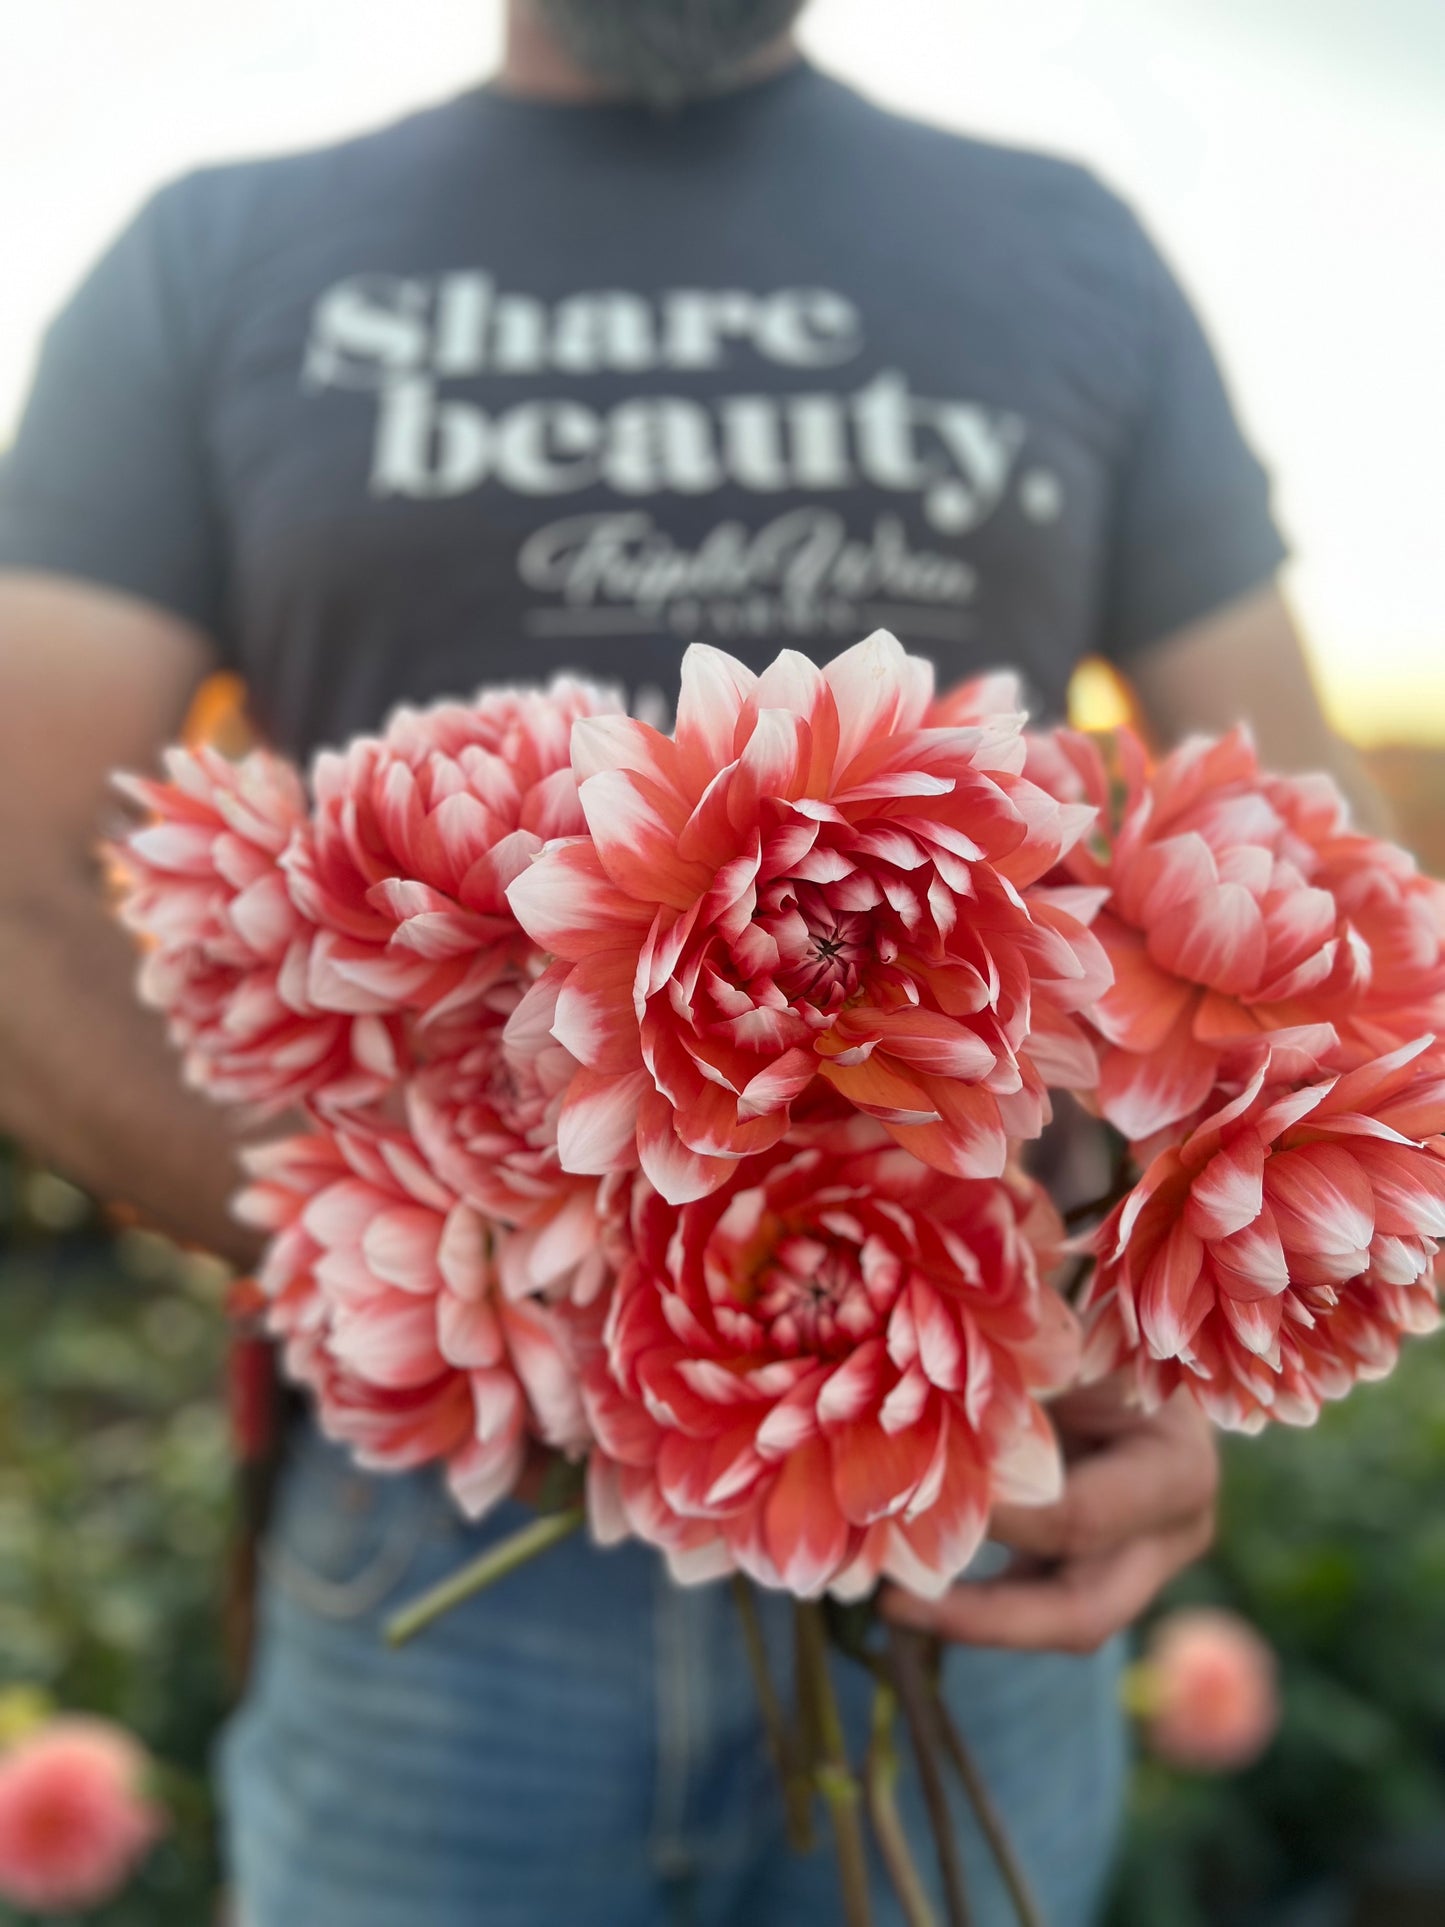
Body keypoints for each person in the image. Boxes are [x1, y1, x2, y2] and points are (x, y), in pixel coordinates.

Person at [0, 3, 1383, 1921]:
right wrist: (467, 1265)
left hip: (975, 1518)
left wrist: (1163, 1336)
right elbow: (13, 874)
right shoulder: (220, 249)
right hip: (441, 1523)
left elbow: (1317, 874)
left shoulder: (1065, 243)